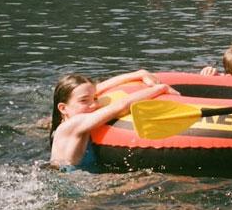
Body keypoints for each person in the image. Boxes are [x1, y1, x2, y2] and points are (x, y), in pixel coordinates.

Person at [49, 69, 177, 171]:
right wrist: (160, 89)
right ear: (63, 108)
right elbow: (121, 106)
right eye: (84, 101)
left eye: (94, 98)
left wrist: (139, 74)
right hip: (71, 181)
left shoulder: (69, 118)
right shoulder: (73, 124)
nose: (94, 105)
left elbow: (98, 88)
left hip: (80, 176)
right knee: (150, 180)